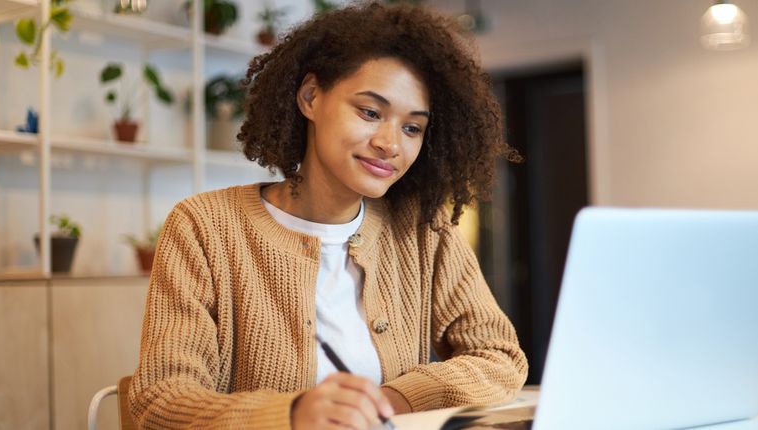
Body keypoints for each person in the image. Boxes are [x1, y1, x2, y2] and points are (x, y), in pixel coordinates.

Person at [128, 2, 528, 429]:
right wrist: (292, 415)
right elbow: (160, 401)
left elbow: (499, 356)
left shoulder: (423, 230)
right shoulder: (204, 226)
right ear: (310, 97)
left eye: (412, 127)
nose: (390, 143)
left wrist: (393, 398)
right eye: (370, 112)